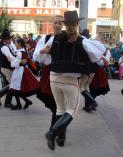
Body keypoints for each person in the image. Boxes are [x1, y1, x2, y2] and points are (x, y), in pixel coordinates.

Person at [45, 10, 106, 150]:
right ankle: (52, 133)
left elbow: (43, 56)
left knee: (60, 108)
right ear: (77, 23)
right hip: (70, 79)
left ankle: (61, 139)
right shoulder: (82, 40)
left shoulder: (56, 37)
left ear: (65, 24)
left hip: (54, 77)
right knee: (72, 110)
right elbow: (98, 54)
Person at [33, 15, 64, 145]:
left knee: (61, 106)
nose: (57, 25)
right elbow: (36, 57)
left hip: (64, 73)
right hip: (49, 73)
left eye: (60, 23)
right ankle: (58, 130)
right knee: (55, 106)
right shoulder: (46, 38)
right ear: (52, 24)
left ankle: (58, 134)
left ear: (63, 25)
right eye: (55, 22)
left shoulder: (68, 38)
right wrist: (44, 50)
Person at [8, 38, 37, 110]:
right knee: (14, 89)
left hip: (20, 72)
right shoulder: (23, 51)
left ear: (19, 44)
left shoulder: (20, 52)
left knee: (15, 89)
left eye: (16, 43)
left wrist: (10, 60)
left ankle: (20, 104)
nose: (15, 44)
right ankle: (22, 103)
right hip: (21, 70)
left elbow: (17, 63)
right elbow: (20, 61)